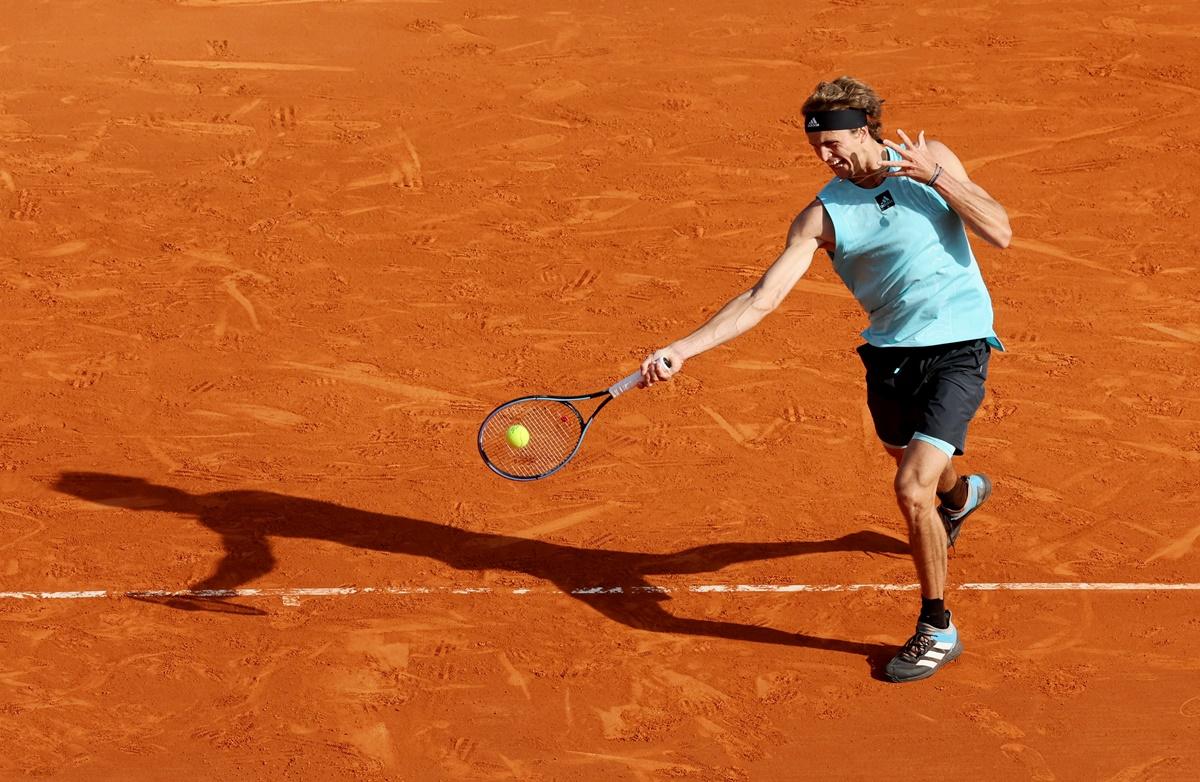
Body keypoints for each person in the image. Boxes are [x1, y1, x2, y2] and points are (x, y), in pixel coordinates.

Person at [639, 76, 1011, 683]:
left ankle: (936, 626)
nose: (826, 158)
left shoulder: (932, 159)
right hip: (889, 357)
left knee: (909, 486)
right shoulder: (821, 217)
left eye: (835, 144)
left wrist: (937, 179)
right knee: (912, 457)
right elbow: (761, 298)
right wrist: (684, 348)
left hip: (959, 347)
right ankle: (960, 497)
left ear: (865, 131)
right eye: (817, 149)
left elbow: (999, 230)